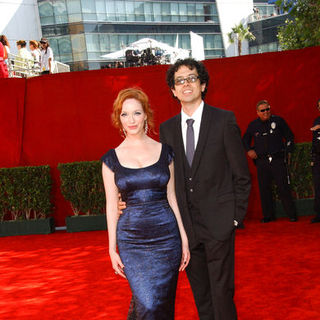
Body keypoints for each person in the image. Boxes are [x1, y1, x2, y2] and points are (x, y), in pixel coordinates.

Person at [160, 58, 251, 320]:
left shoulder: (224, 120)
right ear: (173, 91)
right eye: (179, 80)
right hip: (187, 227)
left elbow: (241, 175)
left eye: (191, 78)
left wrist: (235, 216)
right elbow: (165, 178)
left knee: (222, 292)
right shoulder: (166, 130)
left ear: (203, 84)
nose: (185, 84)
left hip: (220, 221)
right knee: (201, 294)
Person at [101, 88, 190, 319]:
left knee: (161, 302)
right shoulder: (111, 159)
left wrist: (184, 238)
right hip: (132, 240)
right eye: (124, 114)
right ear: (118, 119)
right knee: (147, 303)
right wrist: (112, 248)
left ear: (146, 116)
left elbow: (172, 197)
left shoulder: (165, 152)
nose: (131, 120)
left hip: (166, 238)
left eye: (136, 113)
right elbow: (111, 206)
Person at [243, 100, 297, 223]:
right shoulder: (253, 125)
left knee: (283, 187)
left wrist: (288, 151)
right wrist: (249, 150)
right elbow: (245, 140)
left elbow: (289, 136)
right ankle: (268, 216)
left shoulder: (279, 121)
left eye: (267, 109)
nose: (266, 112)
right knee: (264, 189)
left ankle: (291, 214)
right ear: (257, 112)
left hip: (278, 159)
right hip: (262, 162)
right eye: (263, 110)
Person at [310, 99, 320, 223]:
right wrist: (313, 158)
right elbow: (314, 141)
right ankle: (319, 214)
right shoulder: (316, 121)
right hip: (318, 158)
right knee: (318, 186)